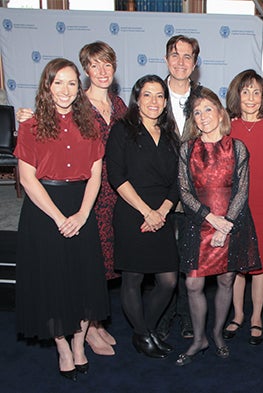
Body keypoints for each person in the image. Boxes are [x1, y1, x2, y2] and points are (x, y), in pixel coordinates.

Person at [16, 41, 127, 356]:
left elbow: (96, 171)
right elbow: (27, 177)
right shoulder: (32, 124)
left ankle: (85, 336)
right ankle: (65, 348)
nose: (65, 89)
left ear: (78, 88)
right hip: (47, 208)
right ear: (48, 85)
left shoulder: (109, 112)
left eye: (70, 83)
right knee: (53, 280)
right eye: (58, 82)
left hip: (90, 202)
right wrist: (59, 217)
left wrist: (80, 214)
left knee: (88, 275)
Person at [175, 86, 261, 366]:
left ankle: (217, 334)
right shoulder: (187, 149)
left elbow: (242, 190)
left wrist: (226, 226)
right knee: (193, 283)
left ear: (220, 112)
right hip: (199, 222)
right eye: (197, 112)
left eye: (207, 109)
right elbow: (184, 191)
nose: (202, 116)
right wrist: (211, 219)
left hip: (232, 221)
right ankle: (199, 338)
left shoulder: (237, 147)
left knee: (226, 279)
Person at [105, 75, 179, 358]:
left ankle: (145, 329)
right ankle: (143, 334)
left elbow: (178, 181)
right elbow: (117, 177)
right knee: (133, 277)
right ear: (137, 98)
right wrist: (146, 211)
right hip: (132, 212)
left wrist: (161, 211)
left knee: (168, 280)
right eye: (147, 95)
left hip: (162, 213)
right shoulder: (122, 130)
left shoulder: (171, 134)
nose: (154, 101)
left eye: (160, 96)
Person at [223, 69, 263, 345]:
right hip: (232, 206)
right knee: (236, 264)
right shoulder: (227, 126)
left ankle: (257, 317)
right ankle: (237, 315)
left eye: (256, 92)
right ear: (237, 94)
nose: (250, 97)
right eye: (245, 91)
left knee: (260, 264)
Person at [156, 34, 201, 340]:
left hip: (192, 195)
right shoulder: (150, 93)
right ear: (166, 59)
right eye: (175, 55)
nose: (181, 62)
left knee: (188, 257)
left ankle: (185, 315)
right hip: (155, 192)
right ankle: (162, 313)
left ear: (195, 64)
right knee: (160, 258)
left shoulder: (204, 99)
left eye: (187, 57)